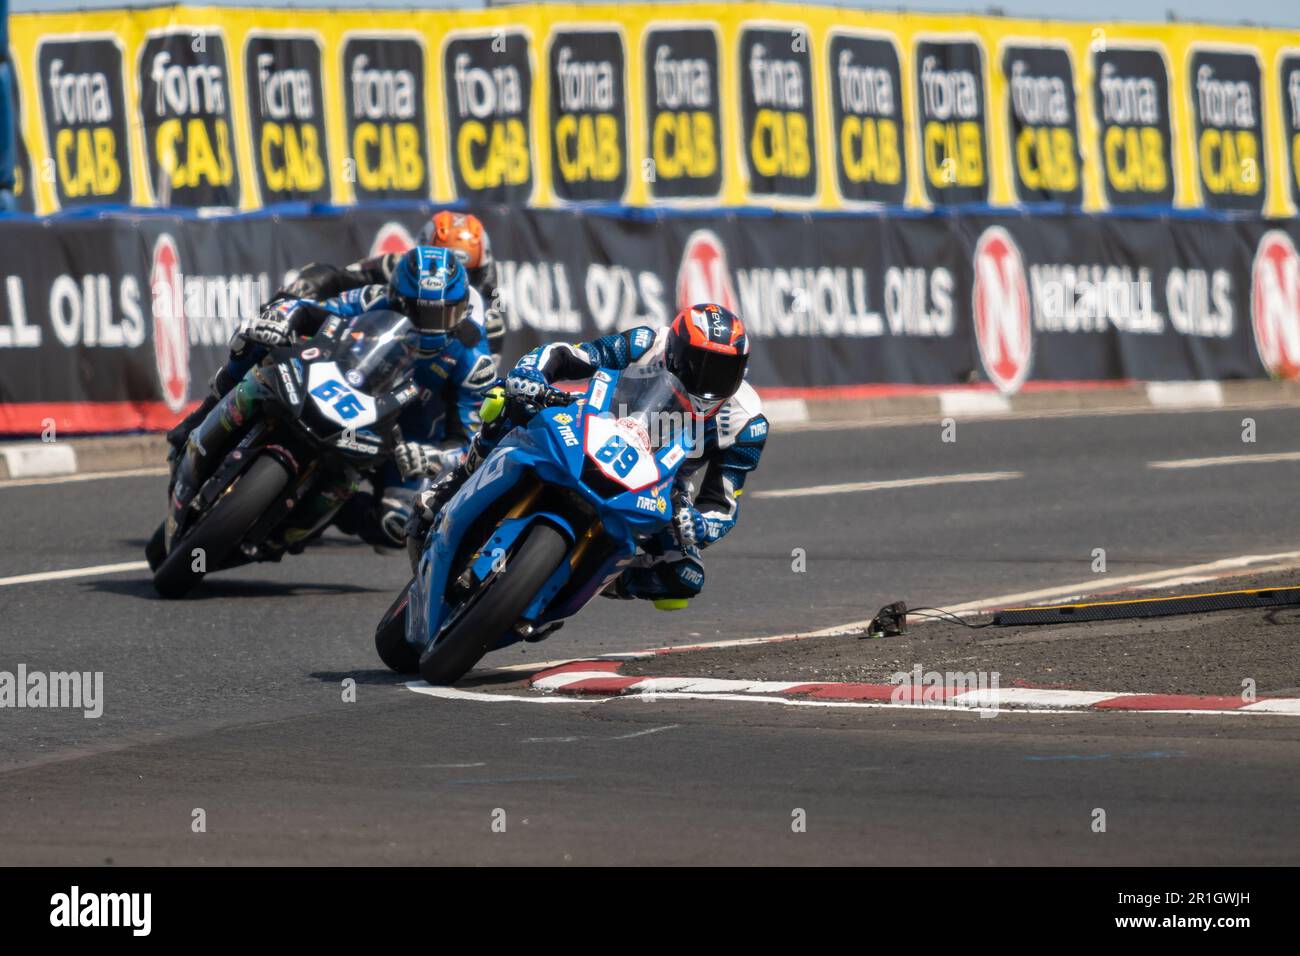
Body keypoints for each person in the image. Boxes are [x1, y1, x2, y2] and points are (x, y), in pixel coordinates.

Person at [406, 303, 768, 605]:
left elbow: (723, 505)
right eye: (698, 364)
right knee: (507, 398)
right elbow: (571, 355)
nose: (707, 381)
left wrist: (699, 523)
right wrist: (533, 373)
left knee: (685, 576)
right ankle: (460, 478)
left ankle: (588, 581)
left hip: (663, 482)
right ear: (675, 351)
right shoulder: (646, 343)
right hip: (594, 425)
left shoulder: (746, 421)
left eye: (724, 371)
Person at [170, 246, 498, 551]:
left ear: (462, 309)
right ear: (396, 298)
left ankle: (317, 516)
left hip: (407, 439)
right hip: (348, 383)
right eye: (418, 312)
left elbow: (472, 444)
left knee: (399, 525)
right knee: (251, 340)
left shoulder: (473, 361)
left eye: (441, 315)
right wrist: (283, 317)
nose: (430, 328)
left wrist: (433, 457)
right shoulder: (375, 297)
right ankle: (199, 419)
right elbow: (313, 311)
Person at [278, 210, 505, 354]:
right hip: (367, 363)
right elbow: (334, 277)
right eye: (440, 266)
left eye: (468, 273)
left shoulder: (488, 320)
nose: (452, 280)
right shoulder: (397, 266)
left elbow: (477, 394)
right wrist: (295, 295)